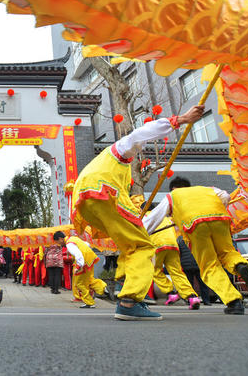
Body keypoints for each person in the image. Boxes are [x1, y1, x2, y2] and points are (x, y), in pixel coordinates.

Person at [71, 105, 204, 320]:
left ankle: (129, 292)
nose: (137, 153)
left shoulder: (109, 165)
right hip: (102, 193)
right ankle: (129, 301)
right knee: (142, 246)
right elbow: (139, 134)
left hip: (88, 201)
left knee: (132, 245)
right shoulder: (119, 151)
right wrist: (180, 119)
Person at [144, 176, 248, 315]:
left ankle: (233, 301)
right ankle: (239, 265)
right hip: (220, 219)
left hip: (195, 225)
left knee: (210, 265)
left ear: (173, 189)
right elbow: (225, 196)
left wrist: (139, 235)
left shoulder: (173, 196)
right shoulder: (208, 189)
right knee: (228, 253)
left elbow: (153, 219)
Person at [143, 215, 201, 309]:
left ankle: (171, 293)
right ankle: (192, 297)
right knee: (177, 272)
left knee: (154, 271)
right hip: (173, 245)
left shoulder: (146, 216)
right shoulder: (166, 218)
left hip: (157, 246)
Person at [177, 236, 211, 305]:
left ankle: (190, 299)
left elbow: (179, 253)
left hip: (186, 265)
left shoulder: (180, 240)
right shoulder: (196, 237)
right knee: (202, 283)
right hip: (197, 263)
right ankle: (206, 300)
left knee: (189, 284)